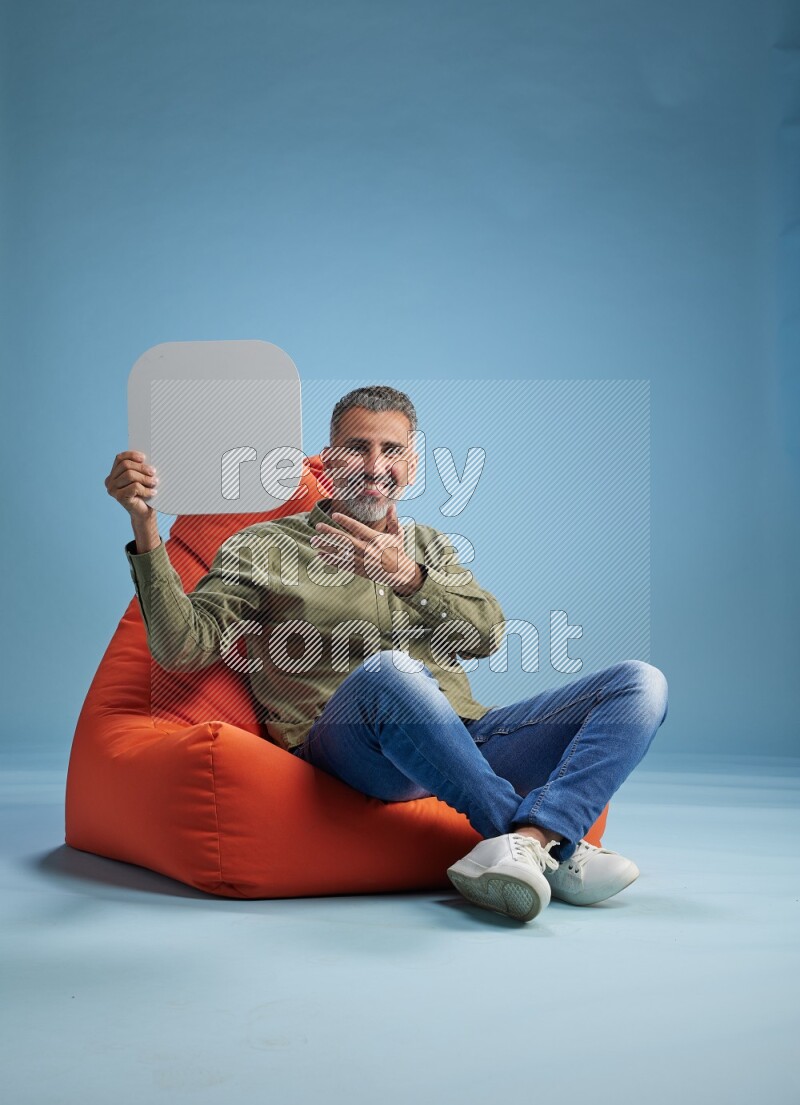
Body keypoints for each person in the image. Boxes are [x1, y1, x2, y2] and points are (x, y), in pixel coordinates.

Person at [105, 384, 669, 923]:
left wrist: (411, 579)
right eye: (357, 447)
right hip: (350, 748)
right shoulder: (266, 546)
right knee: (389, 672)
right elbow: (182, 648)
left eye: (392, 450)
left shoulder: (428, 547)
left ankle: (532, 842)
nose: (375, 466)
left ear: (412, 465)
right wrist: (146, 527)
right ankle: (549, 843)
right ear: (327, 462)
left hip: (465, 738)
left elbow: (488, 635)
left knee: (640, 684)